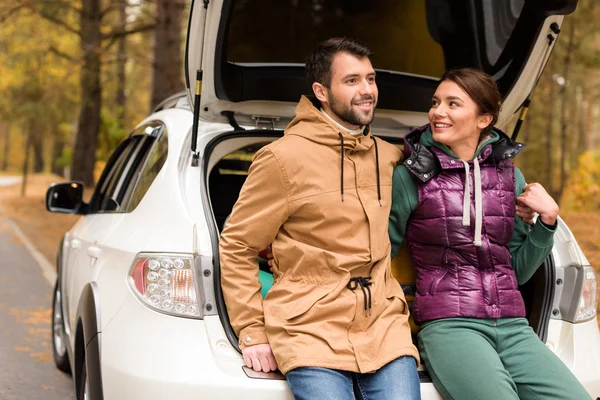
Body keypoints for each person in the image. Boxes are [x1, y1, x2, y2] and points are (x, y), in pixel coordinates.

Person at [219, 37, 421, 400]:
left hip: (383, 326)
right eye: (352, 80)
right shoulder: (283, 159)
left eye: (371, 79)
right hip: (308, 327)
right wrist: (252, 331)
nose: (367, 90)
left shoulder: (389, 157)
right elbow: (237, 244)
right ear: (321, 91)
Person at [388, 68, 591, 400]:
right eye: (436, 102)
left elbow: (519, 271)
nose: (438, 112)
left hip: (513, 326)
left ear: (484, 118)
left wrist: (547, 222)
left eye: (453, 104)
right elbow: (381, 252)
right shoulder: (411, 176)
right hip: (451, 325)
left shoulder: (511, 177)